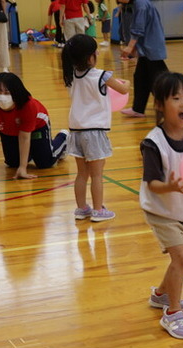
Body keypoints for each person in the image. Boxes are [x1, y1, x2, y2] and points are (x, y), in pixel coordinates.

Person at [140, 72, 183, 340]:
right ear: (159, 105)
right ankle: (172, 313)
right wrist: (171, 186)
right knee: (180, 258)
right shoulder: (153, 142)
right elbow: (153, 183)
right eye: (176, 98)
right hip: (162, 210)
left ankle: (161, 295)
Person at [62, 34, 130, 222]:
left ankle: (81, 208)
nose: (98, 53)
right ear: (89, 57)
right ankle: (98, 210)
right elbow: (123, 89)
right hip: (95, 131)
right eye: (95, 51)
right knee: (97, 175)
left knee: (81, 174)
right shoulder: (102, 75)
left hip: (76, 130)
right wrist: (126, 82)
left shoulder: (71, 74)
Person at [0, 72, 69, 185]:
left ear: (16, 93)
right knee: (12, 163)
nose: (2, 96)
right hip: (8, 130)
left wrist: (23, 167)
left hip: (37, 127)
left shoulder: (28, 105)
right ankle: (30, 152)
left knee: (45, 163)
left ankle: (64, 138)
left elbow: (24, 137)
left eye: (7, 92)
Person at [120, 0, 168, 118]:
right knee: (141, 77)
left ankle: (170, 106)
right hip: (147, 48)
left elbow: (138, 28)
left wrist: (130, 46)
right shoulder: (137, 4)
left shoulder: (141, 4)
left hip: (151, 47)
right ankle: (138, 108)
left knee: (160, 79)